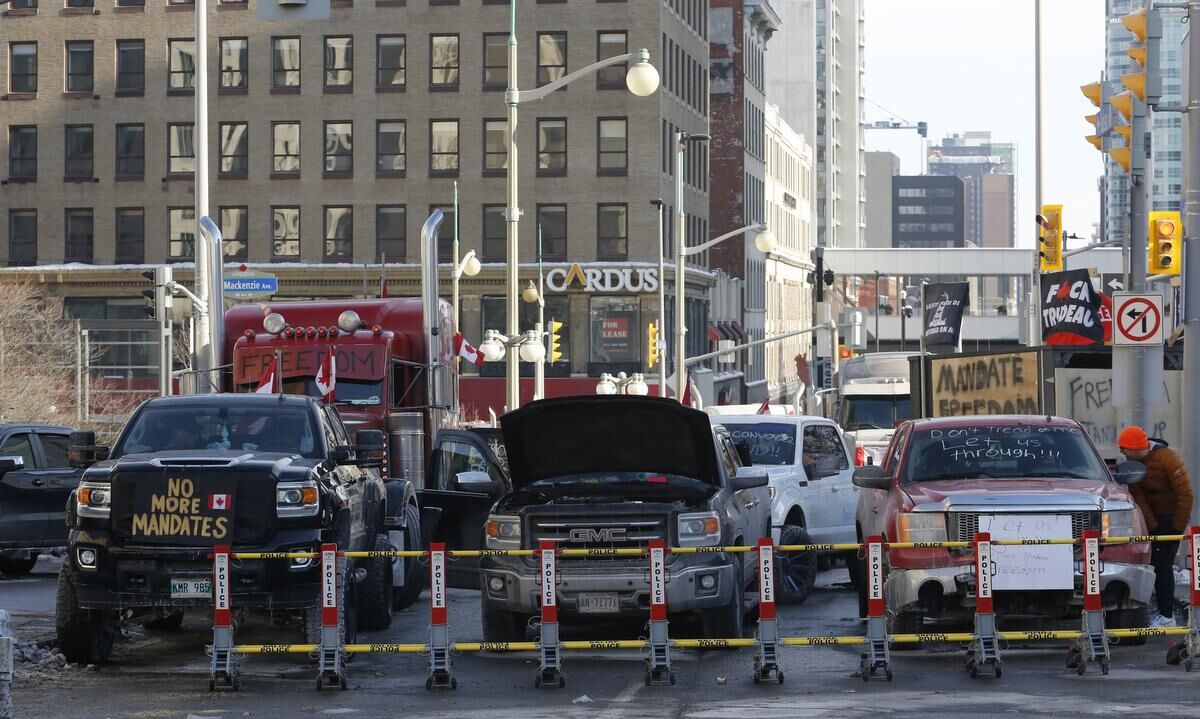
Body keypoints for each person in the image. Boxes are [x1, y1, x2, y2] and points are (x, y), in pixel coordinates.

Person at [1118, 425, 1195, 628]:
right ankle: (1161, 610)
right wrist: (1152, 527)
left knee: (1162, 567)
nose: (1122, 453)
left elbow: (1185, 495)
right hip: (1154, 523)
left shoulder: (1167, 459)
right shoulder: (1133, 464)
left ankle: (1166, 615)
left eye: (1125, 448)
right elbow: (1139, 497)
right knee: (1152, 567)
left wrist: (1175, 529)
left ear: (1136, 447)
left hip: (1171, 522)